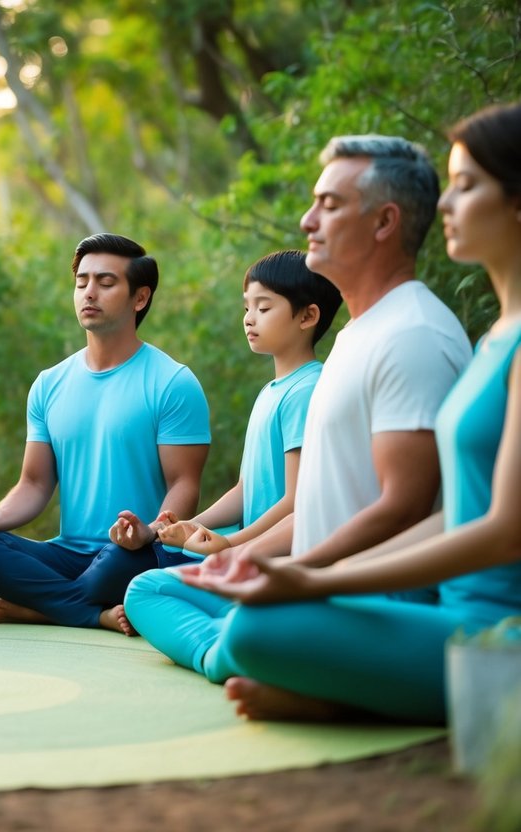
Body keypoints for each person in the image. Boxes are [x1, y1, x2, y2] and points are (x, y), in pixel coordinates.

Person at [179, 101, 521, 724]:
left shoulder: (419, 332)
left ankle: (316, 684)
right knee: (176, 591)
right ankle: (312, 675)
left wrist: (313, 578)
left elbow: (484, 524)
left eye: (466, 186)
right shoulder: (493, 337)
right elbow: (452, 515)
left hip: (490, 629)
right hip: (433, 609)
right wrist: (283, 565)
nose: (445, 203)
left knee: (255, 629)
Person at [124, 134, 473, 686]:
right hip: (309, 586)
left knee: (245, 630)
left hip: (367, 600)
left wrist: (293, 573)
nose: (309, 219)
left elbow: (404, 508)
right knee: (151, 588)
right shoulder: (358, 336)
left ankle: (246, 659)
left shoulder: (413, 336)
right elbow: (311, 503)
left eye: (329, 205)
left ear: (384, 222)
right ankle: (253, 654)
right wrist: (249, 560)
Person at [0, 233, 211, 631]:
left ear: (139, 298)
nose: (89, 292)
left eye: (106, 283)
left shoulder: (173, 382)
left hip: (134, 552)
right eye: (82, 283)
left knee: (115, 565)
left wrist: (150, 532)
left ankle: (44, 606)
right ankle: (87, 611)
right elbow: (34, 484)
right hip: (67, 553)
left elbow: (184, 484)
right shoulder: (48, 384)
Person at [109, 251, 341, 634]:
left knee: (138, 587)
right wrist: (187, 527)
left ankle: (234, 632)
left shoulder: (307, 390)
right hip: (243, 553)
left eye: (263, 308)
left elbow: (295, 500)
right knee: (133, 566)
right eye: (247, 306)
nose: (249, 318)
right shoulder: (271, 391)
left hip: (278, 558)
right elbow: (245, 489)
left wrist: (230, 546)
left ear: (307, 316)